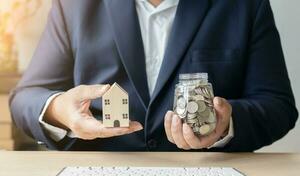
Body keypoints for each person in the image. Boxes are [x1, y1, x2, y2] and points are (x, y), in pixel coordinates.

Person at [9, 0, 298, 151]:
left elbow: (278, 105)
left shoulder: (245, 4)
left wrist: (226, 123)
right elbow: (26, 98)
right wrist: (60, 110)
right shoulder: (73, 5)